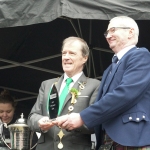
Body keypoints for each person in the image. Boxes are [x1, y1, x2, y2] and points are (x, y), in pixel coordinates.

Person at [53, 16, 150, 150]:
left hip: (132, 140)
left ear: (131, 32)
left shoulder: (141, 56)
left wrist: (82, 117)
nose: (108, 36)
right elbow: (102, 103)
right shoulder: (109, 69)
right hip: (107, 141)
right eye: (106, 33)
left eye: (113, 30)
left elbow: (125, 94)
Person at [27, 36, 100, 150]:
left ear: (85, 58)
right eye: (64, 53)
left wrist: (77, 122)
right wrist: (39, 122)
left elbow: (97, 123)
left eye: (72, 53)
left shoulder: (94, 85)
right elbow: (32, 117)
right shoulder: (47, 85)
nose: (66, 57)